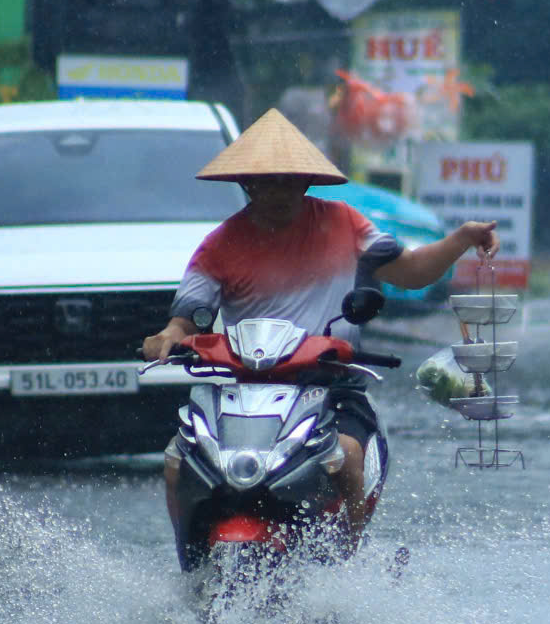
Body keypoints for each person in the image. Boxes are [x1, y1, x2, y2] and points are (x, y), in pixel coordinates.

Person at [142, 108, 498, 544]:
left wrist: (461, 238)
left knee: (346, 457)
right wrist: (167, 338)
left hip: (330, 387)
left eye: (287, 180)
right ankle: (191, 566)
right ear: (246, 184)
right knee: (177, 461)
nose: (277, 192)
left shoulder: (345, 224)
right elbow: (185, 320)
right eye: (265, 181)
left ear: (305, 182)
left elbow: (409, 271)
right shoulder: (220, 243)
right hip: (240, 393)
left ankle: (345, 561)